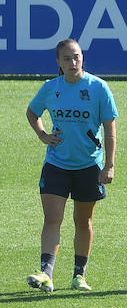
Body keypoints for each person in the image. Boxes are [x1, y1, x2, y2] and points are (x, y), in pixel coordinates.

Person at [23, 39, 117, 293]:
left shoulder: (98, 88)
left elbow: (110, 128)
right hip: (56, 163)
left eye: (76, 57)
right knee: (52, 219)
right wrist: (43, 136)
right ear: (58, 63)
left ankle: (79, 275)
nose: (73, 62)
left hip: (89, 165)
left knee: (82, 221)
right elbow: (32, 113)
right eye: (67, 58)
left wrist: (108, 165)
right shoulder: (50, 88)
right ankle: (46, 273)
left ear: (83, 57)